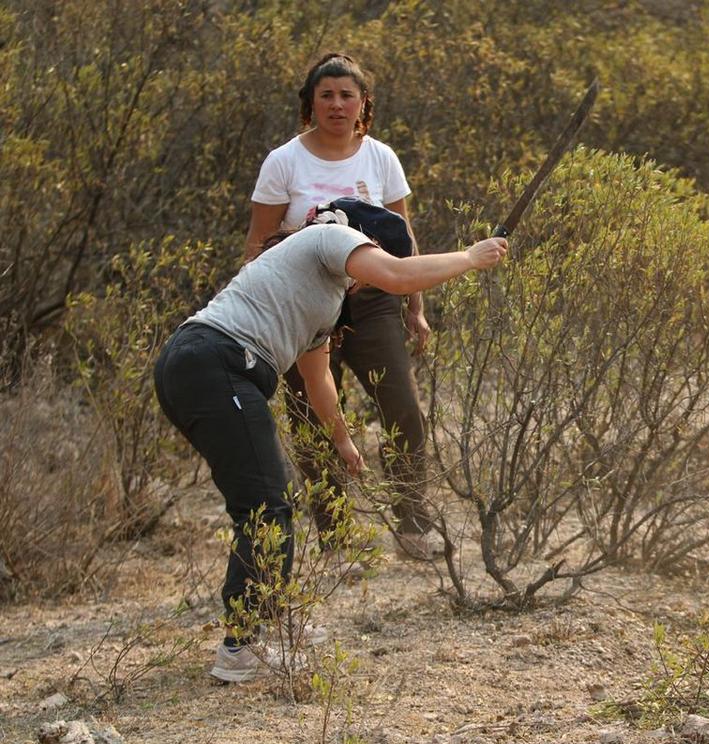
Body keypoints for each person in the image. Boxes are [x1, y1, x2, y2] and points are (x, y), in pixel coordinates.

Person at [156, 199, 507, 682]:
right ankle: (242, 648)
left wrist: (342, 441)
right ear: (367, 242)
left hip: (202, 368)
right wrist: (469, 257)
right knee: (266, 504)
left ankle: (269, 622)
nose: (369, 283)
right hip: (217, 363)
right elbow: (400, 277)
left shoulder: (321, 294)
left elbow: (318, 379)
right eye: (375, 260)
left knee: (264, 502)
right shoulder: (330, 236)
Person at [244, 53, 437, 560]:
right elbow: (258, 242)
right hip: (304, 307)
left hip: (372, 304)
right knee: (313, 418)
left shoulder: (380, 158)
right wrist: (259, 319)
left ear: (362, 104)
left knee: (403, 410)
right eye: (325, 94)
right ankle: (335, 537)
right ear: (310, 103)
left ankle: (414, 523)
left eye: (346, 95)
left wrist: (414, 306)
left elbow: (403, 238)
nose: (336, 104)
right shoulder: (284, 161)